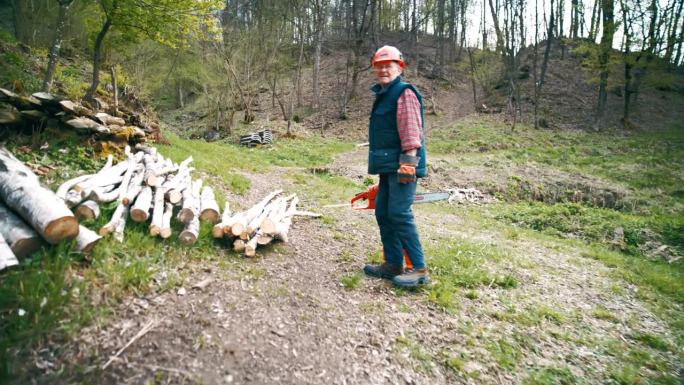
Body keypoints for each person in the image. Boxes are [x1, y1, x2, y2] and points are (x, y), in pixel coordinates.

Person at [362, 45, 429, 288]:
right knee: (383, 211)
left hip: (403, 165)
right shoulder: (384, 93)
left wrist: (409, 164)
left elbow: (412, 130)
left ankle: (418, 269)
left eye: (388, 66)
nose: (383, 70)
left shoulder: (404, 93)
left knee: (400, 213)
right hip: (389, 166)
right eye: (379, 66)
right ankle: (392, 264)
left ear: (399, 67)